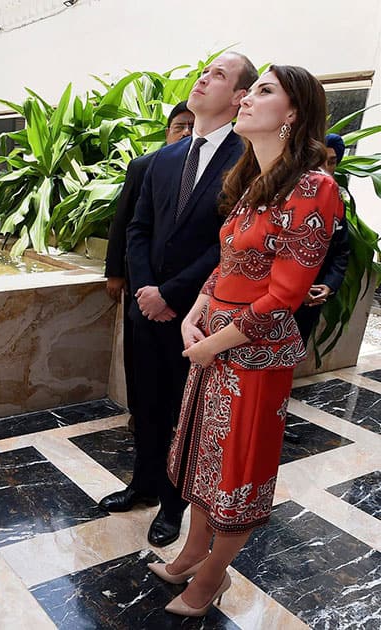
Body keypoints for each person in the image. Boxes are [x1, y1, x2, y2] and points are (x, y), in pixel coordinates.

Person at [150, 65, 343, 617]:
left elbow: (283, 297)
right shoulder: (255, 182)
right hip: (215, 343)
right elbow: (227, 264)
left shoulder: (316, 188)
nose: (247, 99)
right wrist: (195, 313)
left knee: (237, 474)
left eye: (264, 92)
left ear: (293, 114)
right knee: (204, 464)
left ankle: (212, 578)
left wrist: (213, 344)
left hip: (252, 359)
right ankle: (190, 553)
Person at [100, 52, 259, 550]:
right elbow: (138, 227)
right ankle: (142, 484)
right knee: (145, 405)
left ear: (238, 98)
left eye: (218, 75)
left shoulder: (250, 159)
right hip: (146, 308)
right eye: (203, 71)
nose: (203, 78)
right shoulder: (164, 159)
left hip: (198, 316)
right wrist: (146, 290)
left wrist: (169, 294)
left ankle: (173, 505)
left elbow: (228, 243)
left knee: (180, 414)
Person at [105, 101, 195, 431]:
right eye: (179, 126)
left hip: (186, 289)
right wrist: (116, 272)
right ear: (168, 132)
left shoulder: (220, 167)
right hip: (141, 282)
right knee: (137, 353)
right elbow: (125, 222)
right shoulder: (144, 165)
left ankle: (176, 416)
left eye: (192, 126)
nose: (186, 132)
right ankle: (138, 410)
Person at [293, 133, 350, 345]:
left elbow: (341, 251)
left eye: (332, 162)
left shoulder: (336, 203)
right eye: (319, 160)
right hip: (274, 302)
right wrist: (296, 289)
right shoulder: (286, 195)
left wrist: (329, 285)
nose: (325, 167)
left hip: (311, 303)